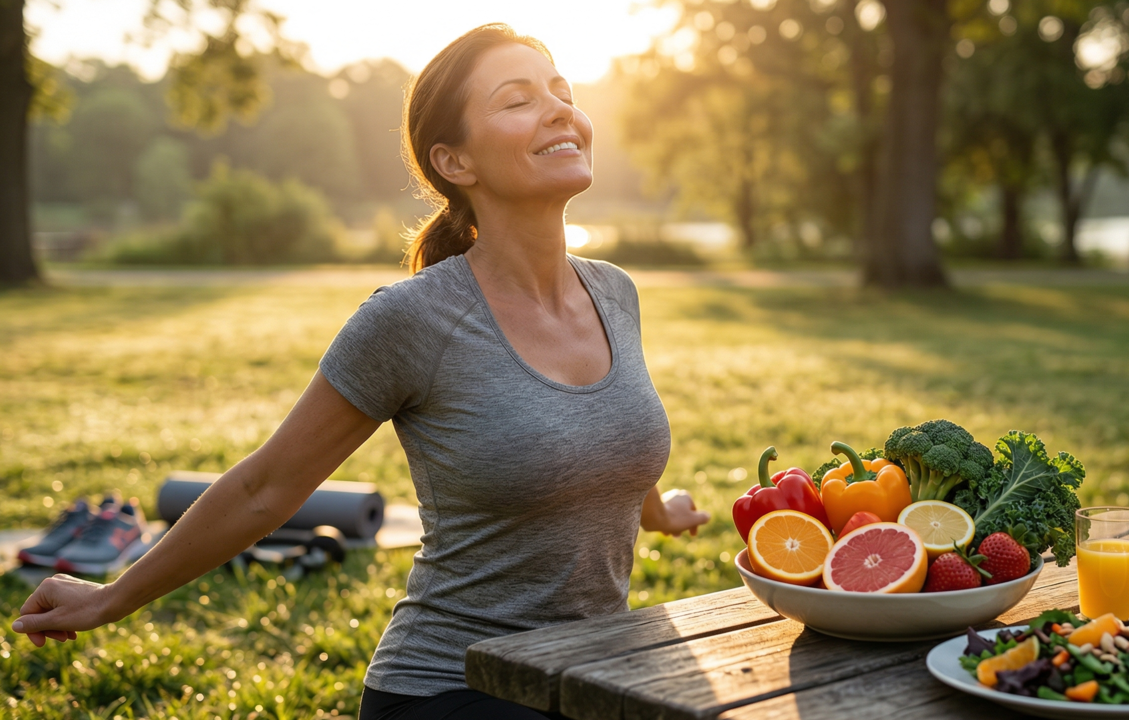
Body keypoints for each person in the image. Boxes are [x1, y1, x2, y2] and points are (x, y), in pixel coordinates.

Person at [11, 23, 709, 720]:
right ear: (454, 162)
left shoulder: (615, 293)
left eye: (563, 91)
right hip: (454, 687)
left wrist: (657, 508)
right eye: (518, 100)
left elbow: (593, 434)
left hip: (583, 677)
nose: (560, 108)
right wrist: (109, 598)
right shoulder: (412, 320)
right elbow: (266, 486)